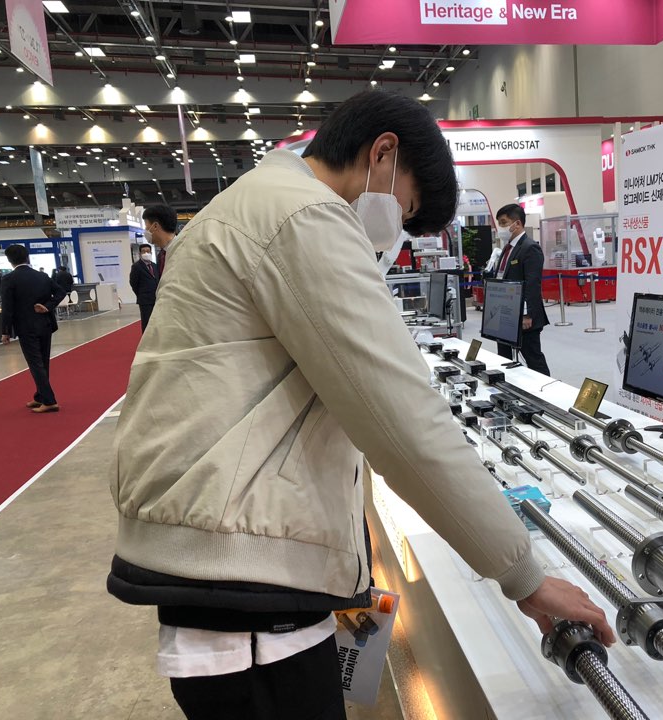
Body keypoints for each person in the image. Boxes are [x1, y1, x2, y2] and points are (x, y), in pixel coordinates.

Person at [106, 91, 612, 720]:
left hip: (223, 562)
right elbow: (402, 418)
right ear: (382, 154)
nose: (395, 227)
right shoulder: (303, 217)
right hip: (248, 595)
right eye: (406, 206)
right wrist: (524, 576)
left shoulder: (246, 205)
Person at [0, 244, 66, 413]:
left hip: (26, 327)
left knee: (35, 364)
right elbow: (61, 292)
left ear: (9, 260)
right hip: (45, 324)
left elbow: (7, 308)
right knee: (43, 362)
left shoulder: (9, 279)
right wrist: (47, 306)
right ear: (27, 257)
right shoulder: (42, 276)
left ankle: (49, 401)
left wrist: (5, 331)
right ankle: (40, 396)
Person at [490, 203, 550, 375]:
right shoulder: (507, 248)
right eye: (499, 223)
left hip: (524, 317)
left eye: (503, 222)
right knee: (504, 358)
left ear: (517, 224)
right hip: (504, 313)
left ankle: (547, 389)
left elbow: (532, 284)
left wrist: (526, 314)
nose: (500, 227)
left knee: (533, 358)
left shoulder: (530, 248)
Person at [141, 204, 178, 278]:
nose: (145, 230)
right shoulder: (161, 256)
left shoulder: (183, 251)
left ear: (155, 226)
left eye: (146, 226)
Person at [129, 243, 159, 331]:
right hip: (145, 300)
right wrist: (141, 294)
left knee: (157, 321)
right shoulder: (136, 267)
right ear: (140, 253)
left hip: (156, 299)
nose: (146, 253)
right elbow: (133, 283)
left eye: (148, 251)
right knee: (147, 322)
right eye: (143, 251)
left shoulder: (154, 265)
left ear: (151, 253)